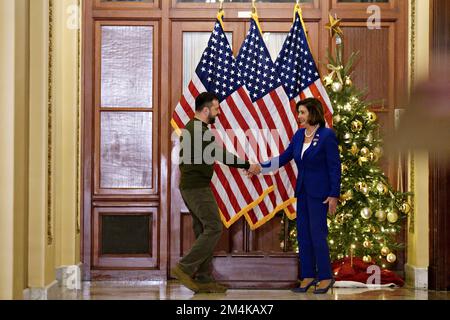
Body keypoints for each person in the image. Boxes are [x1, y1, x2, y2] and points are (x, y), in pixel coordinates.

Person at [172, 92, 261, 294]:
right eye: (216, 109)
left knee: (203, 230)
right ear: (205, 110)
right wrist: (247, 165)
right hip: (197, 188)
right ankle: (184, 267)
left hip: (193, 186)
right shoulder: (197, 130)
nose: (218, 112)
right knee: (213, 227)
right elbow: (220, 154)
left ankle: (204, 279)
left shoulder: (195, 128)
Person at [257, 98, 341, 294]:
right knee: (303, 235)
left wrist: (334, 195)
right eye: (298, 113)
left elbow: (334, 168)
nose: (299, 117)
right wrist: (260, 167)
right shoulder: (298, 136)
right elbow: (284, 158)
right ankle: (308, 276)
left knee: (318, 235)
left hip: (320, 195)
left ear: (313, 113)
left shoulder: (327, 136)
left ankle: (325, 277)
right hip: (302, 192)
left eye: (302, 112)